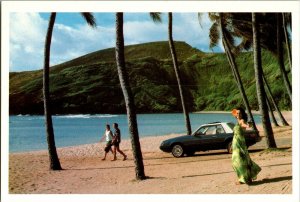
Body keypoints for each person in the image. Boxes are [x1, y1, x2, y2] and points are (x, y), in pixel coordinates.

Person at [231, 107, 261, 185]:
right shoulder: (237, 120)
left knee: (239, 161)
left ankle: (244, 179)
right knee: (238, 161)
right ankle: (244, 178)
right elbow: (233, 112)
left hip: (240, 143)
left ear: (243, 114)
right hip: (235, 143)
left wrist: (247, 125)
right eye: (237, 113)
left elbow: (245, 125)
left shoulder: (242, 121)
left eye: (240, 113)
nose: (238, 114)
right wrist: (235, 112)